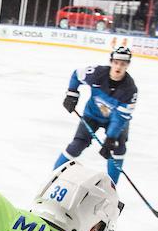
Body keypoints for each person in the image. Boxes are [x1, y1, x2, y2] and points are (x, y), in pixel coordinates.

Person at [56, 46, 138, 184]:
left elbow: (120, 118)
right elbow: (77, 75)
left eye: (123, 64)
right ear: (111, 62)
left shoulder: (130, 90)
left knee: (118, 149)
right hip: (92, 115)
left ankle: (112, 188)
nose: (119, 67)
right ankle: (54, 175)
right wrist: (71, 94)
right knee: (77, 144)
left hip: (115, 120)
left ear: (127, 65)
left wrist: (111, 138)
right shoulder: (97, 73)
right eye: (116, 62)